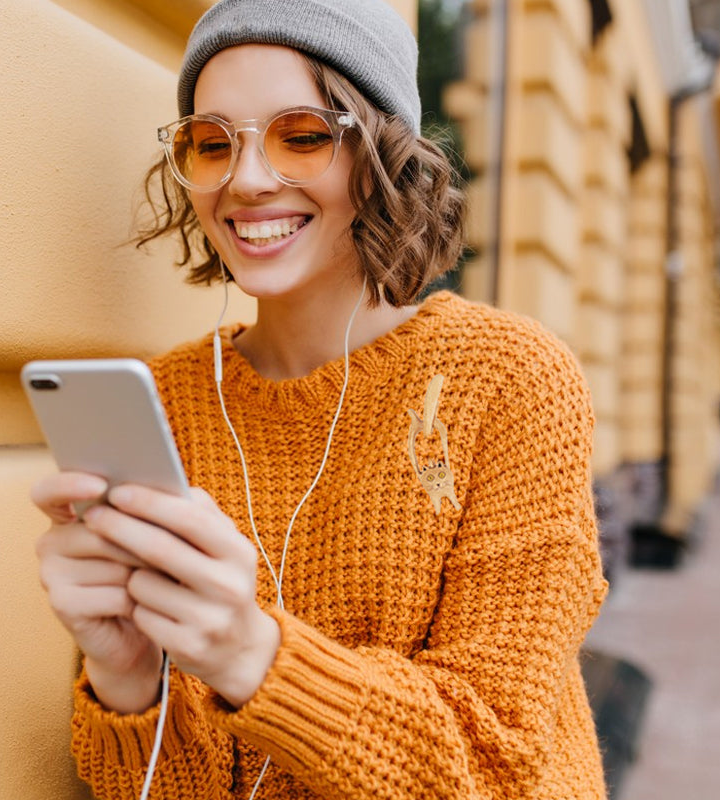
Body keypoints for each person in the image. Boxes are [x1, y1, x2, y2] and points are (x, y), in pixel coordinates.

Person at [32, 1, 609, 798]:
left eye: (301, 136)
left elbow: (494, 765)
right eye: (212, 143)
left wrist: (251, 654)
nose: (246, 180)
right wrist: (130, 679)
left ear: (386, 156)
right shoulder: (166, 402)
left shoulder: (509, 379)